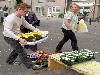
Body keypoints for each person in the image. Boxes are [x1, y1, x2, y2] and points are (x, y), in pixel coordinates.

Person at [3, 3, 42, 70]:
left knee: (17, 48)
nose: (26, 13)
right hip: (9, 37)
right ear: (19, 9)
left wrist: (38, 31)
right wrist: (19, 39)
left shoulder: (21, 17)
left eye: (27, 12)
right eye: (25, 11)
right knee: (21, 50)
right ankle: (31, 66)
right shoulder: (10, 18)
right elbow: (7, 31)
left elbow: (28, 25)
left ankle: (9, 60)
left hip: (17, 35)